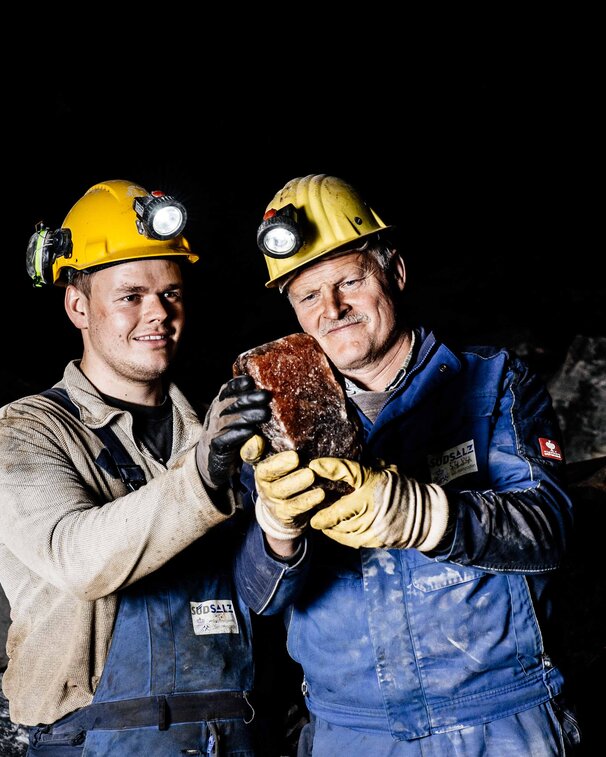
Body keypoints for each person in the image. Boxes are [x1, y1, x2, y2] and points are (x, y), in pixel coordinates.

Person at [232, 174, 582, 755]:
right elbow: (260, 599)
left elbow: (550, 533)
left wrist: (426, 515)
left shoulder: (492, 382)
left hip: (499, 718)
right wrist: (277, 535)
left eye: (349, 280)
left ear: (394, 274)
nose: (333, 309)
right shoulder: (276, 421)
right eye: (308, 296)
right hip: (353, 731)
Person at [0, 179, 292, 756]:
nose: (158, 313)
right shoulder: (26, 430)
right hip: (87, 740)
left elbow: (265, 595)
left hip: (231, 732)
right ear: (78, 305)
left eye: (172, 294)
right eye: (131, 295)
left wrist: (288, 530)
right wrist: (204, 474)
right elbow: (77, 558)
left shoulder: (219, 431)